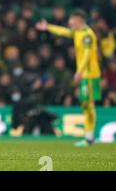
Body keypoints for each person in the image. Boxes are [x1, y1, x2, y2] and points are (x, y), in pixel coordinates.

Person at [36, 10, 101, 147]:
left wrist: (79, 71)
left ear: (79, 19)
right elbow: (63, 32)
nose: (70, 23)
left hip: (89, 75)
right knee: (86, 105)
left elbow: (87, 55)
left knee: (88, 105)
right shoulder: (78, 32)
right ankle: (90, 137)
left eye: (72, 20)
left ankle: (89, 138)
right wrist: (48, 27)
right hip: (86, 75)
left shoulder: (87, 35)